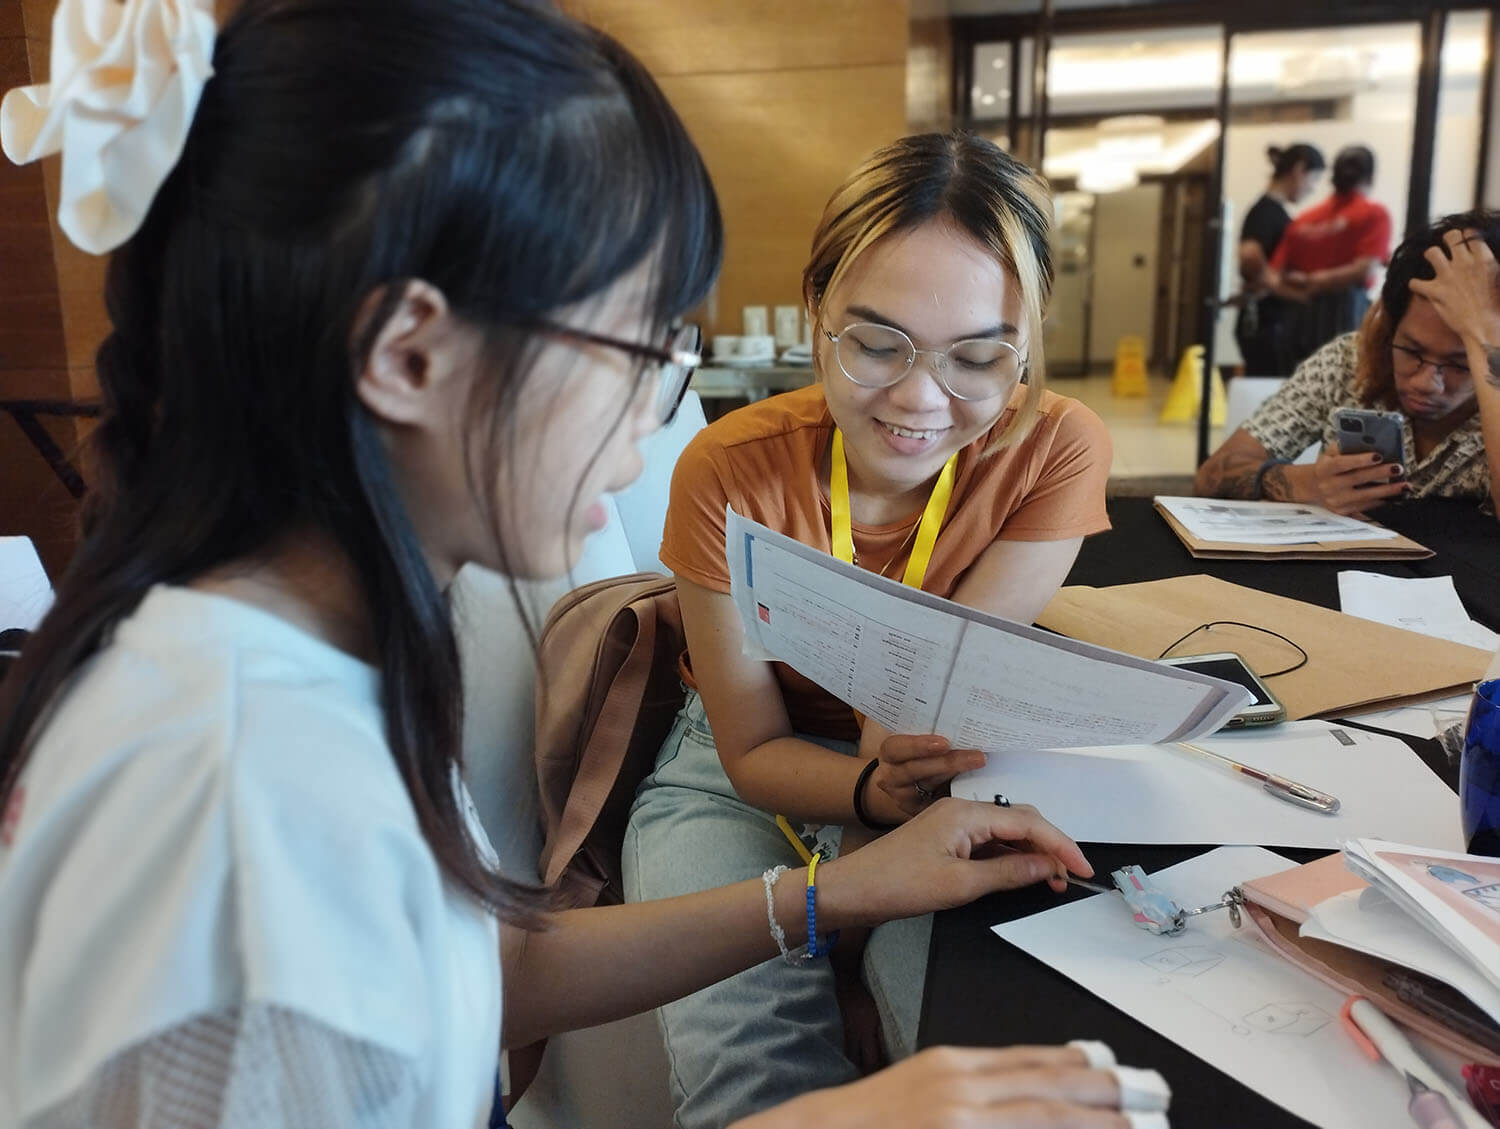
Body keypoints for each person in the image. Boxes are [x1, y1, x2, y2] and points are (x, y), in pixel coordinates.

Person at [0, 2, 1156, 1128]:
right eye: (635, 348)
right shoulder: (242, 796)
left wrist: (836, 891)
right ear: (408, 354)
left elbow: (477, 969)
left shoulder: (307, 655)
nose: (657, 417)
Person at [624, 132, 1114, 1128]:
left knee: (950, 1029)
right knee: (751, 1063)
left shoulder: (1054, 447)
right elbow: (752, 751)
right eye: (878, 344)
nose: (920, 399)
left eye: (977, 357)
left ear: (1026, 344)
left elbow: (923, 708)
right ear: (817, 308)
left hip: (939, 764)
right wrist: (863, 799)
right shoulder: (733, 467)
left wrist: (878, 838)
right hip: (736, 769)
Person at [1195, 210, 1500, 516]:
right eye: (1410, 351)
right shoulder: (1349, 361)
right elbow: (1211, 477)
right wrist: (1306, 483)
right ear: (1390, 327)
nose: (1426, 383)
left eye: (1461, 364)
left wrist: (1483, 336)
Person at [1267, 145, 1393, 372]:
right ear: (1371, 178)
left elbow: (1275, 275)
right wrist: (1318, 281)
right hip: (1345, 318)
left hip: (1297, 321)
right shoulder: (1373, 214)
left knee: (1297, 384)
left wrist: (1306, 283)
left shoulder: (1304, 220)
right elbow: (1364, 268)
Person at [1234, 143, 1325, 376]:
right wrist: (1287, 290)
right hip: (1267, 325)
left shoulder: (1272, 211)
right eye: (1313, 180)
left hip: (1272, 324)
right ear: (1299, 170)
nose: (1312, 189)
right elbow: (1249, 256)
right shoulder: (1266, 211)